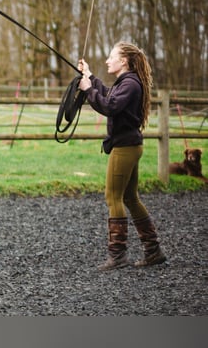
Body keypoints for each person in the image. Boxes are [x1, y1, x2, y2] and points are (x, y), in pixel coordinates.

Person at [78, 42, 167, 270]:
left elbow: (110, 106)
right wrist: (89, 76)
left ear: (124, 61)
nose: (108, 60)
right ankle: (153, 251)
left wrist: (88, 89)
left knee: (113, 197)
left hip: (125, 148)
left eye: (111, 57)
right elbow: (108, 94)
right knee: (130, 198)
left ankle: (118, 256)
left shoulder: (130, 84)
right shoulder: (127, 83)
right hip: (129, 145)